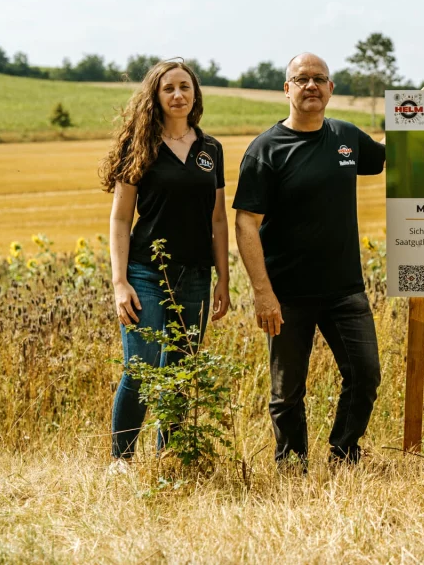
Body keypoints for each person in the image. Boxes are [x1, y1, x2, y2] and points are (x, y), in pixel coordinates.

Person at [233, 53, 385, 471]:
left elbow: (387, 154)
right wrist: (263, 293)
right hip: (287, 294)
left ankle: (343, 454)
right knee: (287, 392)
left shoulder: (347, 137)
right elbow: (246, 223)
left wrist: (421, 114)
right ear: (287, 89)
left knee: (365, 375)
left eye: (320, 79)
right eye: (302, 79)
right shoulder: (266, 150)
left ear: (331, 89)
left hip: (344, 290)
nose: (311, 86)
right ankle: (292, 466)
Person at [100, 59, 231, 471]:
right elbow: (121, 218)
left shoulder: (211, 149)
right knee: (140, 366)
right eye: (168, 88)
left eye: (185, 87)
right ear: (155, 96)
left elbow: (218, 219)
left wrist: (223, 280)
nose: (178, 95)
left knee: (178, 368)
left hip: (195, 275)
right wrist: (120, 282)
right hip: (145, 272)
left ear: (196, 95)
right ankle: (120, 462)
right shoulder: (139, 146)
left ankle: (169, 460)